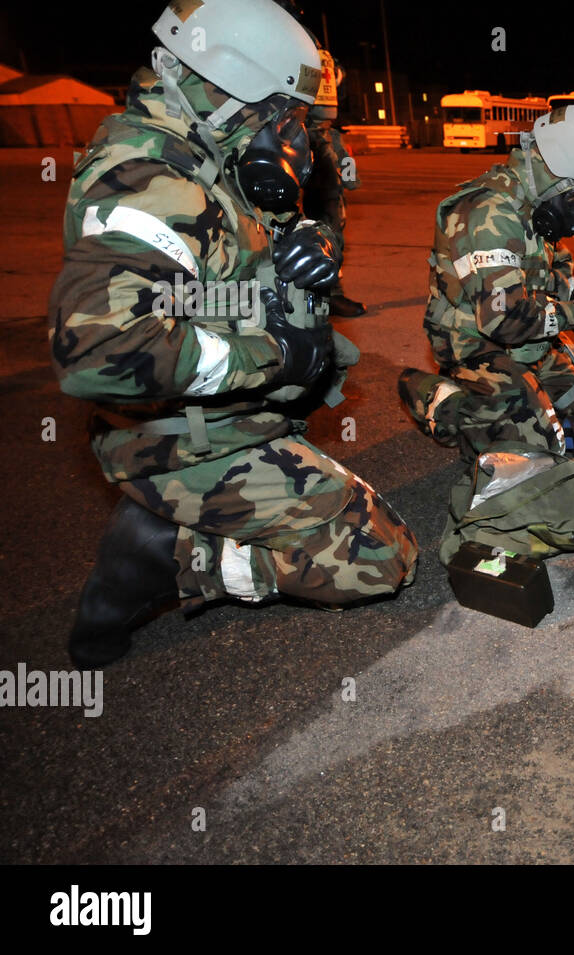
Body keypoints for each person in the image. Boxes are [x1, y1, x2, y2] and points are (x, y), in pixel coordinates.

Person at [49, 0, 418, 669]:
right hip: (170, 439)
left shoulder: (208, 153)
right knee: (379, 557)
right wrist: (271, 356)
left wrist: (304, 244)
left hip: (220, 417)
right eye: (279, 113)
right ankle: (166, 555)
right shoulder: (149, 181)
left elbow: (221, 273)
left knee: (355, 495)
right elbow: (101, 353)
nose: (290, 135)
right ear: (223, 86)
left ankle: (205, 501)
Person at [400, 105, 574, 461]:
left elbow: (549, 273)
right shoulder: (488, 213)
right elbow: (502, 320)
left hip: (528, 337)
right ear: (555, 172)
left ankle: (520, 389)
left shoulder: (535, 205)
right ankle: (439, 401)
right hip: (477, 342)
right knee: (531, 450)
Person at [303, 48, 366, 317]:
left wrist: (349, 179)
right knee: (318, 234)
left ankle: (330, 293)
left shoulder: (332, 137)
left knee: (333, 231)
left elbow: (345, 164)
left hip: (321, 131)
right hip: (304, 125)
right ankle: (323, 296)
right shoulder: (298, 39)